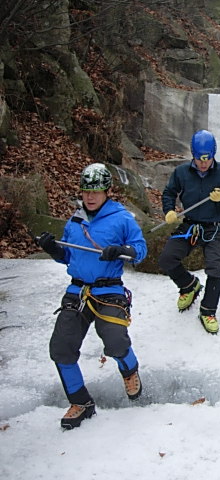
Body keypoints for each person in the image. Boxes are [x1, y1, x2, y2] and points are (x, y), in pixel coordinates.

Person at [35, 163, 147, 430]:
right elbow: (68, 256)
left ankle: (129, 370)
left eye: (95, 191)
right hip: (77, 291)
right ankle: (81, 402)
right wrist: (53, 249)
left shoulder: (122, 218)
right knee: (61, 348)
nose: (90, 196)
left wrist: (122, 250)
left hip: (109, 290)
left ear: (107, 191)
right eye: (86, 191)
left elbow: (140, 250)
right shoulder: (75, 221)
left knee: (115, 340)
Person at [158, 129, 220, 335]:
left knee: (216, 267)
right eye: (199, 158)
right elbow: (169, 193)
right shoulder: (181, 172)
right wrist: (169, 210)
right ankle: (188, 285)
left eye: (207, 159)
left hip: (214, 227)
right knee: (167, 258)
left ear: (213, 154)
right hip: (190, 225)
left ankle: (208, 310)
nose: (203, 164)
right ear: (193, 154)